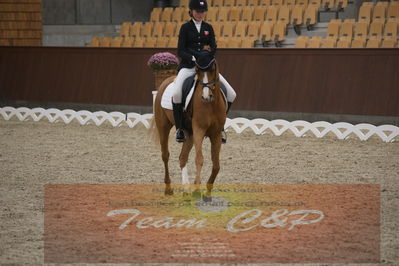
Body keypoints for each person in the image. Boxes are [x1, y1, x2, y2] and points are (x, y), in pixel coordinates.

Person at [172, 0, 236, 143]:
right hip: (189, 67)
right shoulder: (185, 28)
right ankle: (180, 129)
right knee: (176, 94)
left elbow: (213, 47)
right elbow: (180, 50)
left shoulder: (208, 27)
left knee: (231, 93)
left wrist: (207, 57)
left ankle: (220, 127)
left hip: (206, 68)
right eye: (197, 12)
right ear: (191, 11)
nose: (200, 14)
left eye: (202, 12)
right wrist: (194, 57)